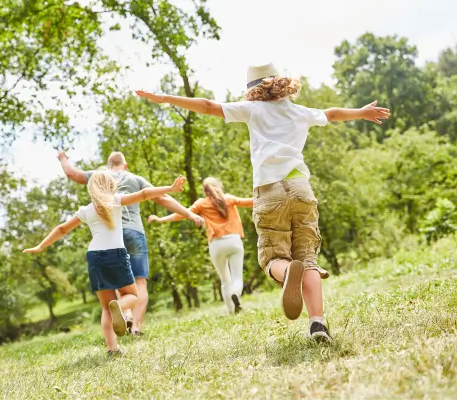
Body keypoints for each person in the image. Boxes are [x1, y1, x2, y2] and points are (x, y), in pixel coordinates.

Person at [136, 63, 390, 342]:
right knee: (308, 260)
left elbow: (208, 106)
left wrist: (166, 98)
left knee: (272, 258)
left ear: (254, 90)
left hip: (270, 192)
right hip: (301, 189)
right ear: (280, 83)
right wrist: (362, 112)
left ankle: (285, 273)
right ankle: (317, 324)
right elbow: (331, 114)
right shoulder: (299, 111)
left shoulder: (253, 110)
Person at [23, 170, 187, 355]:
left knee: (105, 307)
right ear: (111, 186)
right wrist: (170, 188)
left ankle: (112, 348)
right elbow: (144, 194)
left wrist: (40, 246)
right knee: (131, 296)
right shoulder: (116, 200)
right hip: (115, 254)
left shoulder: (86, 210)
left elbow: (62, 229)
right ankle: (121, 307)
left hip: (94, 257)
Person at [58, 151, 203, 335]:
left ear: (108, 165)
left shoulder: (98, 176)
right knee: (139, 282)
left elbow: (72, 173)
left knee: (120, 281)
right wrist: (190, 214)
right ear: (125, 165)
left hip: (110, 237)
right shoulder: (135, 178)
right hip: (134, 233)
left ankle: (125, 313)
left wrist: (63, 158)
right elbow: (161, 197)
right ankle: (136, 327)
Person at [148, 177, 252, 314]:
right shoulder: (229, 199)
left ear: (205, 190)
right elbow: (250, 202)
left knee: (224, 280)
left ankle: (231, 311)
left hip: (216, 244)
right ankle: (236, 293)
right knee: (236, 278)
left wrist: (161, 219)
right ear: (219, 186)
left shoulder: (202, 203)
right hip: (234, 241)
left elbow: (183, 214)